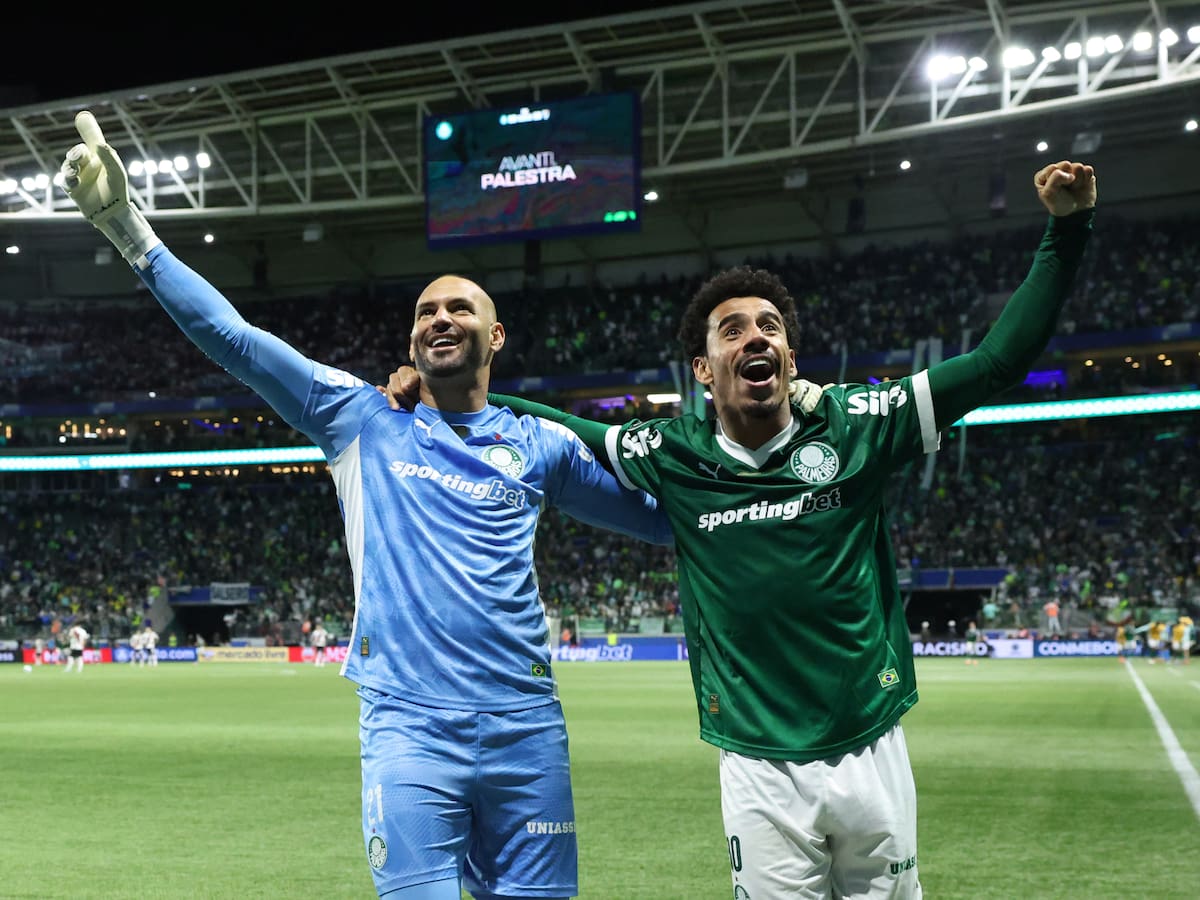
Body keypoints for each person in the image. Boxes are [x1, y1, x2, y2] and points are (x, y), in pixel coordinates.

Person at [386, 157, 1096, 898]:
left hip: (871, 743)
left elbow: (998, 361)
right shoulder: (673, 454)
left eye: (770, 326)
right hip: (757, 765)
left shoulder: (860, 425)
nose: (755, 337)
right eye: (733, 329)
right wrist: (433, 388)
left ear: (789, 357)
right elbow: (566, 428)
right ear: (703, 367)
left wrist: (1068, 231)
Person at [60, 111, 673, 900]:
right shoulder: (360, 416)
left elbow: (663, 519)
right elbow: (236, 340)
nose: (439, 318)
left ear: (497, 337)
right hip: (409, 729)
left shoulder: (539, 444)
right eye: (425, 312)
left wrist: (781, 450)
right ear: (413, 340)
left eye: (459, 310)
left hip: (527, 729)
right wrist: (129, 231)